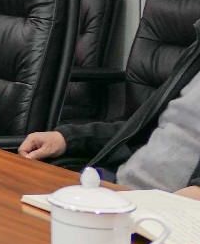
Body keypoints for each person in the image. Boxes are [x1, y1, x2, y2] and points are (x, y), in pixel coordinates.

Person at [20, 21, 200, 196]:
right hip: (119, 188)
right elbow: (142, 127)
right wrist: (67, 137)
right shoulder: (195, 54)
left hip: (166, 208)